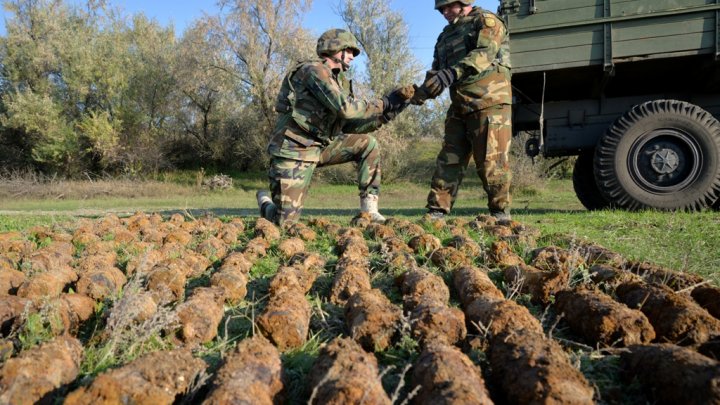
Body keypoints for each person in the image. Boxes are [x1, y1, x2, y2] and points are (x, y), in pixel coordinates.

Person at [256, 28, 410, 225]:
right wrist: (384, 103)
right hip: (293, 151)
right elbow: (345, 109)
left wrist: (390, 111)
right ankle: (266, 204)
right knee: (284, 224)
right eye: (351, 51)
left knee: (367, 144)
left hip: (320, 146)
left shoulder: (340, 82)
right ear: (336, 49)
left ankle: (370, 211)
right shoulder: (313, 71)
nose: (354, 57)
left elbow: (350, 124)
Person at [413, 0, 513, 221]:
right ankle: (437, 211)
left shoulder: (486, 21)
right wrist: (415, 96)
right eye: (441, 9)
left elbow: (485, 53)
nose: (445, 12)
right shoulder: (445, 36)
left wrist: (452, 73)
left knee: (491, 161)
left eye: (449, 7)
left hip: (489, 101)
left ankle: (500, 213)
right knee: (449, 159)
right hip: (460, 104)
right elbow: (437, 74)